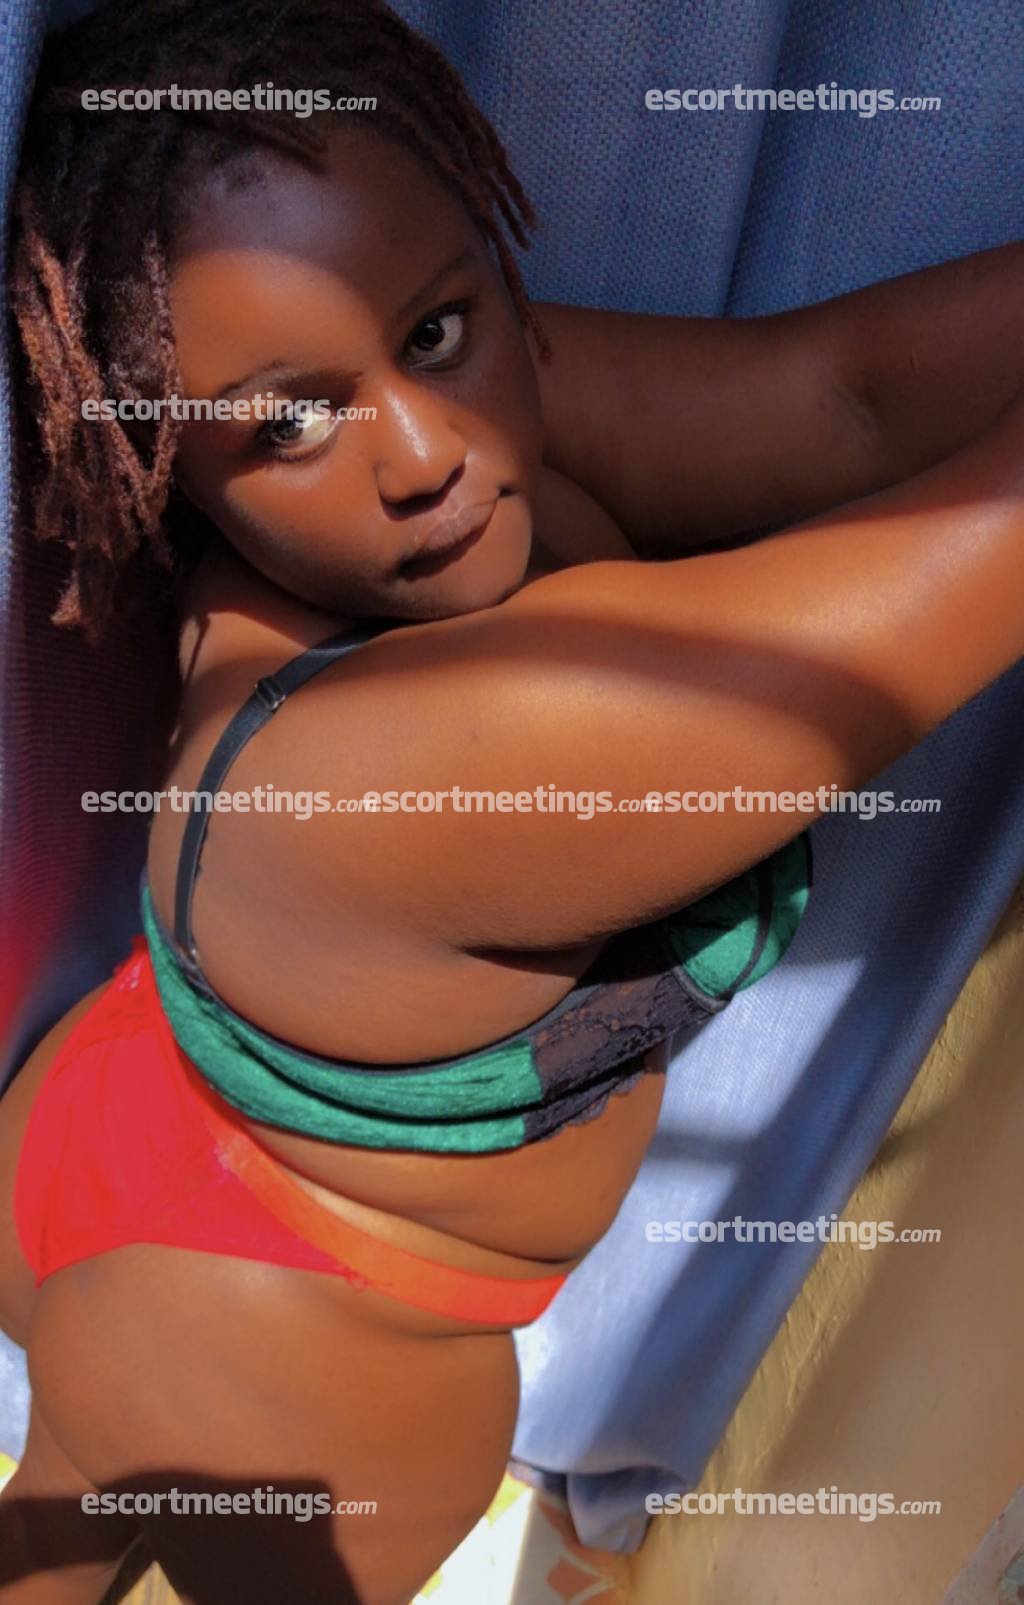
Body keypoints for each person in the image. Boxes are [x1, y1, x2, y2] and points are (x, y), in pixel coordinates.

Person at [1, 1, 1022, 1600]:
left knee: (43, 1525)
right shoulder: (440, 759)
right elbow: (964, 576)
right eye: (290, 422)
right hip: (301, 1362)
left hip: (107, 1134)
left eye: (433, 328)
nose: (421, 451)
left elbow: (849, 400)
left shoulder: (456, 439)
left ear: (490, 266)